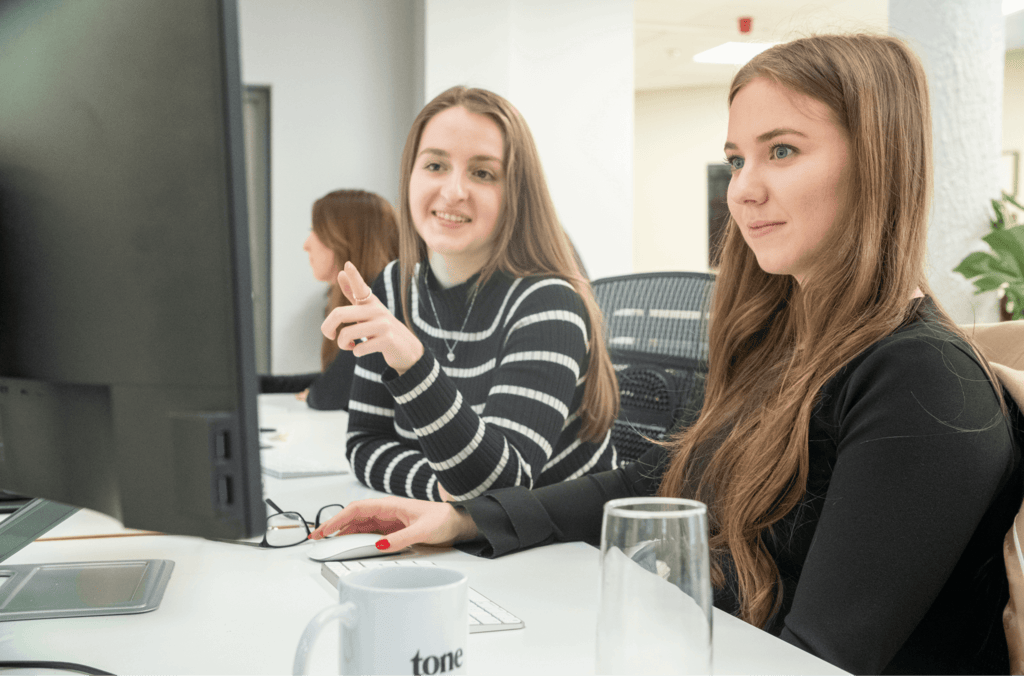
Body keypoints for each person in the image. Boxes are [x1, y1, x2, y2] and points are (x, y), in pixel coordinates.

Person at [311, 35, 1024, 676]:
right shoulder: (788, 343)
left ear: (877, 159)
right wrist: (466, 519)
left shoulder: (920, 382)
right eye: (737, 158)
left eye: (782, 150)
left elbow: (816, 661)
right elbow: (663, 482)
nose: (743, 189)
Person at [318, 87, 619, 503]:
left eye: (482, 173)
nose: (454, 191)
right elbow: (365, 446)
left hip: (560, 556)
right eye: (435, 165)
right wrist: (444, 491)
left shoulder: (549, 305)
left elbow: (501, 488)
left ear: (515, 192)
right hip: (461, 547)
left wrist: (413, 363)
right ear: (410, 176)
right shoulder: (393, 287)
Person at [259, 189, 399, 410]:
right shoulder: (366, 296)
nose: (306, 244)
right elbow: (336, 379)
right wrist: (258, 385)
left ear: (344, 240)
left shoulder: (383, 302)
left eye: (315, 231)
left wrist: (316, 394)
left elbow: (330, 395)